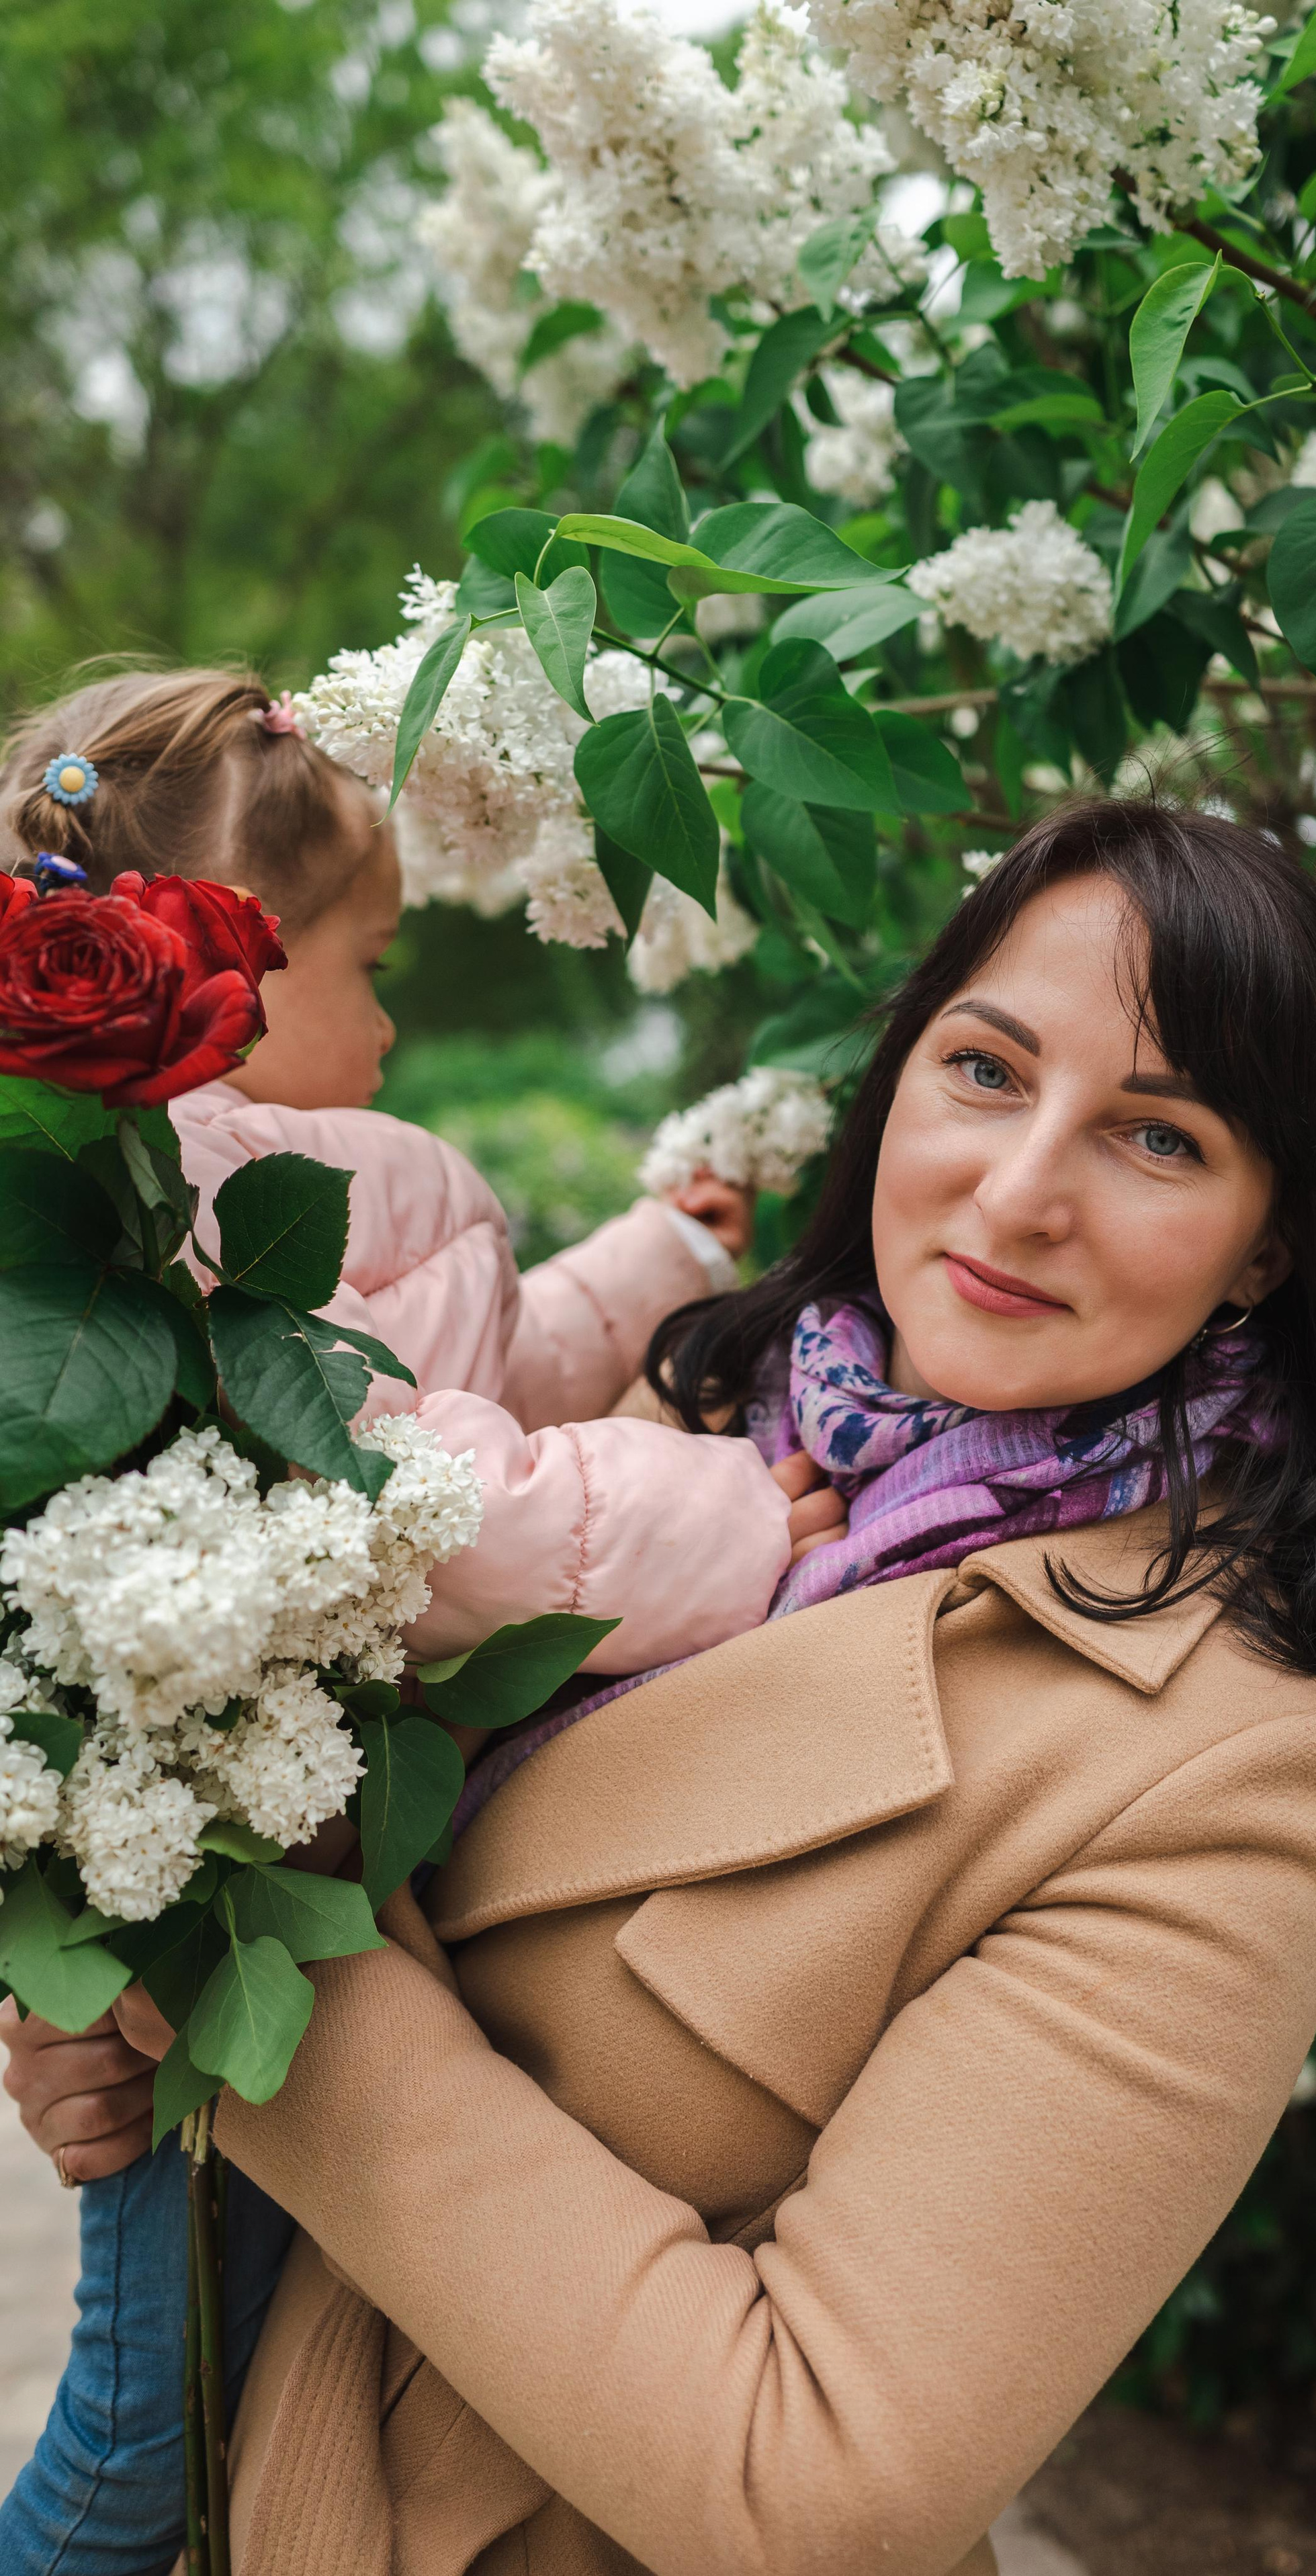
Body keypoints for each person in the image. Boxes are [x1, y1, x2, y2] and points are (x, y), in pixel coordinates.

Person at [4, 801, 1316, 2576]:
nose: (1020, 1191)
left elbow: (818, 2488)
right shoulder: (702, 1429)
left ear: (1269, 1242)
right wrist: (120, 2038)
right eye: (985, 1068)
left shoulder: (1226, 1770)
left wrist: (258, 2004)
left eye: (1158, 1137)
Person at [0, 668, 832, 2576]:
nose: (392, 1016)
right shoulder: (189, 1206)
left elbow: (502, 1364)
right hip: (223, 1907)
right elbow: (428, 1508)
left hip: (298, 1891)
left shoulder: (339, 1191)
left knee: (214, 2394)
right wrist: (731, 1519)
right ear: (232, 968)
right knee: (142, 2440)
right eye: (368, 966)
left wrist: (670, 1251)